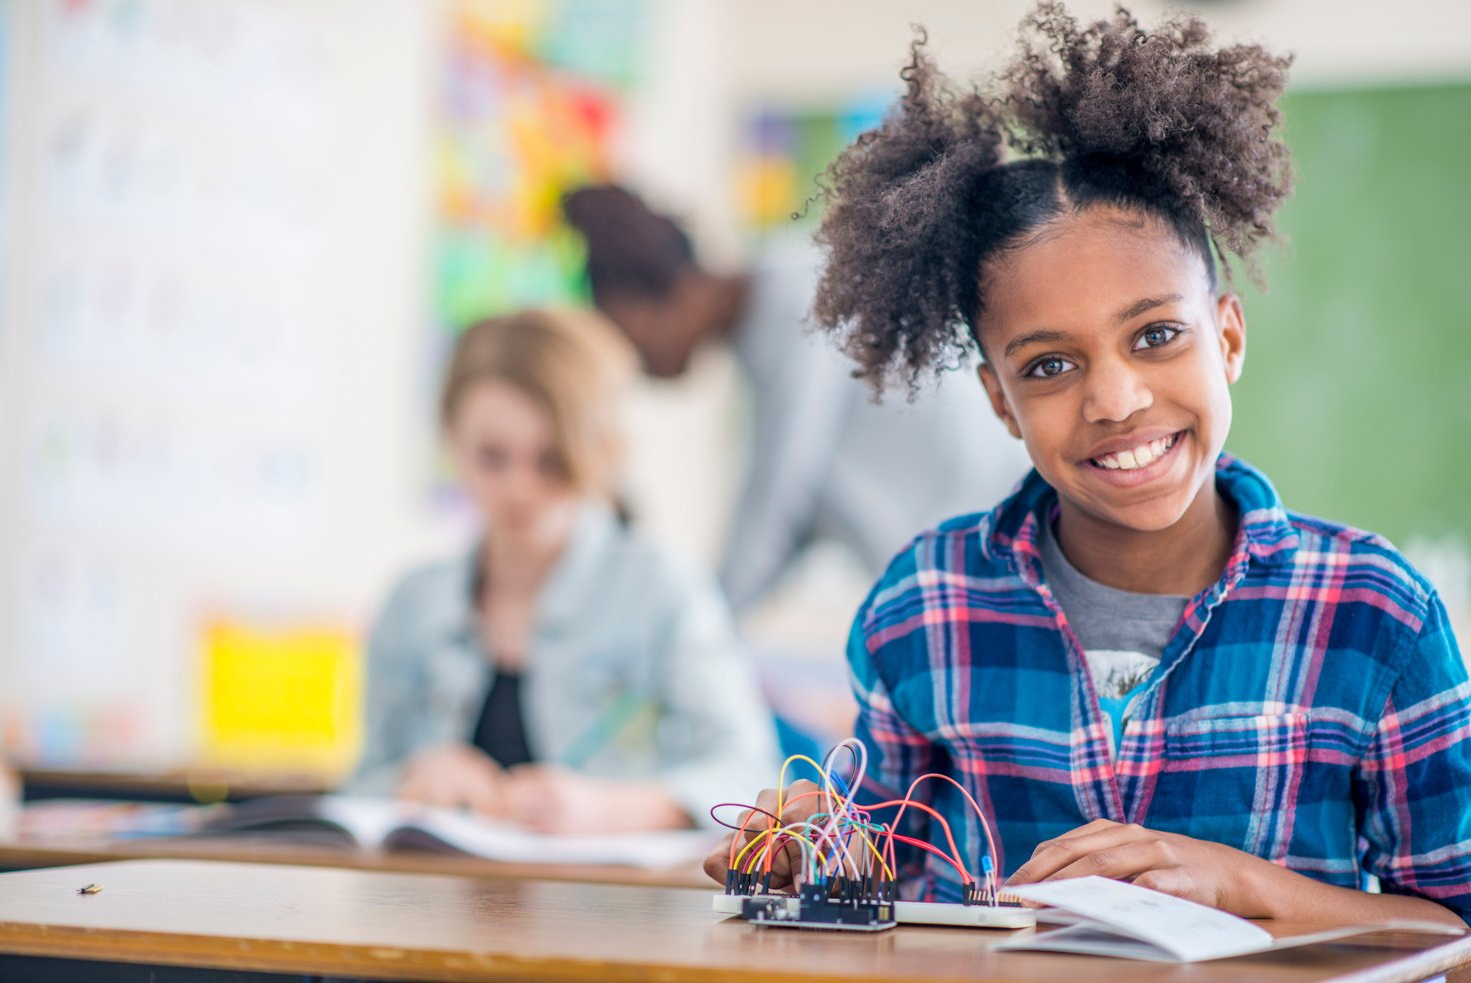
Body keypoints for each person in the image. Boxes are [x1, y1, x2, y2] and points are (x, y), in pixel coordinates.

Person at [704, 3, 1471, 926]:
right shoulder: (923, 605)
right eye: (1050, 366)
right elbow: (884, 890)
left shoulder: (1374, 614)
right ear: (999, 400)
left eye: (1155, 334)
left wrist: (1245, 886)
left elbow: (1456, 930)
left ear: (1227, 337)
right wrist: (808, 854)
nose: (1113, 399)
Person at [352, 308, 779, 834]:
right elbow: (361, 783)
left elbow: (748, 777)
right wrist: (414, 778)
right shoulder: (411, 602)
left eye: (550, 460)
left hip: (605, 909)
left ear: (597, 449)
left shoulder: (663, 586)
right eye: (492, 457)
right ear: (451, 440)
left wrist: (611, 809)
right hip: (432, 905)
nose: (518, 488)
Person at [561, 185, 1031, 617]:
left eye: (633, 345)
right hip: (971, 560)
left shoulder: (799, 299)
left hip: (1010, 525)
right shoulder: (763, 335)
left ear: (677, 294)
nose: (640, 368)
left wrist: (700, 625)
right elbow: (793, 525)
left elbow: (777, 497)